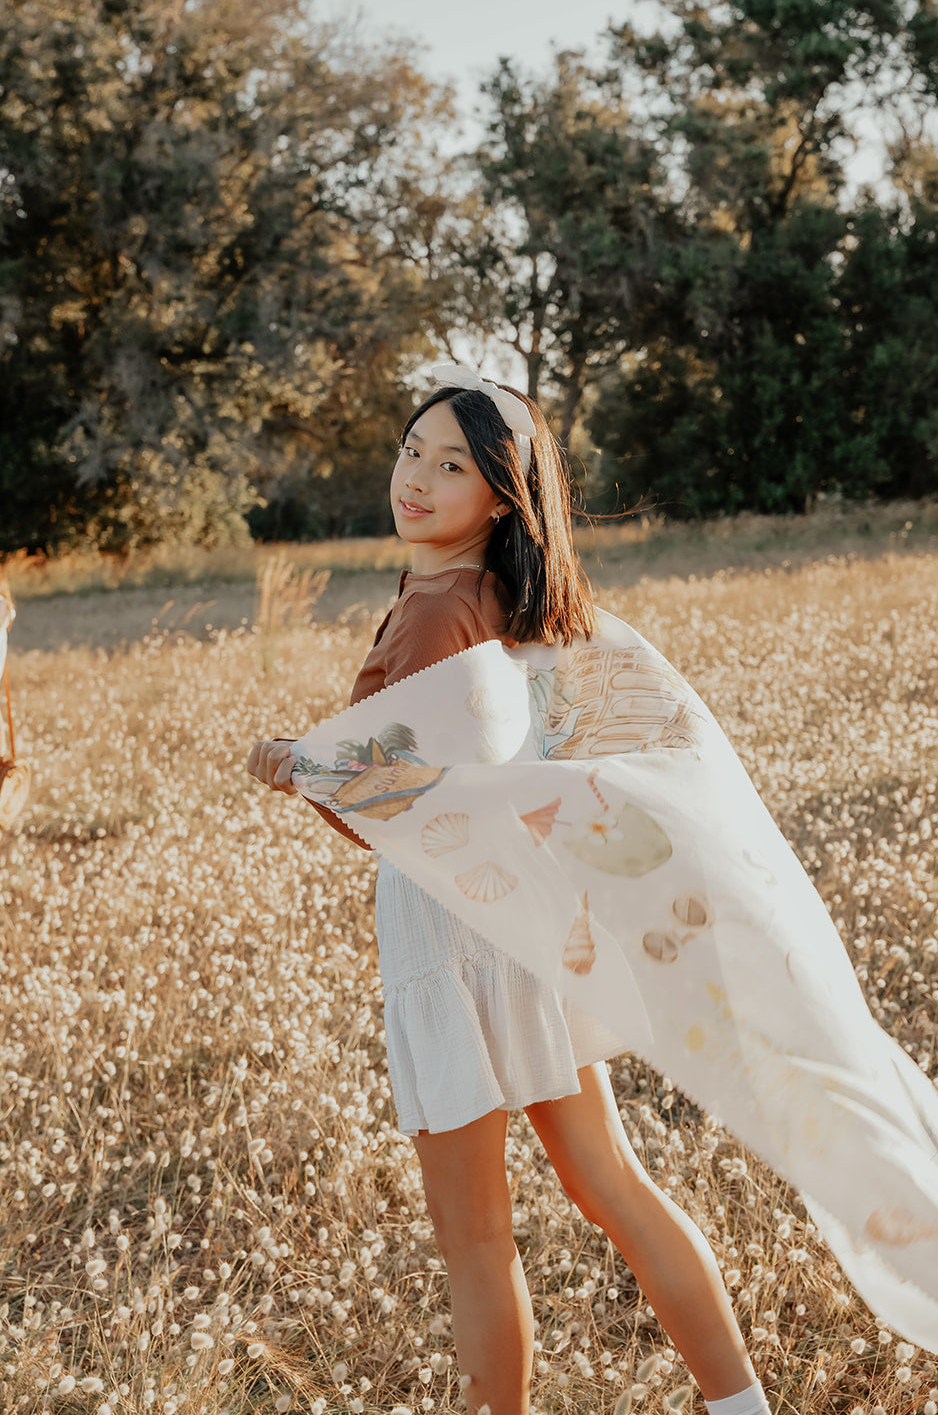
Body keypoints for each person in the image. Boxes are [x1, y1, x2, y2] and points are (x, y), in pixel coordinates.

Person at [248, 365, 772, 1415]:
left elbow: (396, 806)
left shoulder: (437, 607)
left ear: (501, 495)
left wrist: (293, 765)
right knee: (609, 1183)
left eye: (453, 465)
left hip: (456, 923)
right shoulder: (514, 595)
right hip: (535, 915)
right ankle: (740, 1404)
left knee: (476, 1236)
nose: (416, 478)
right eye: (411, 451)